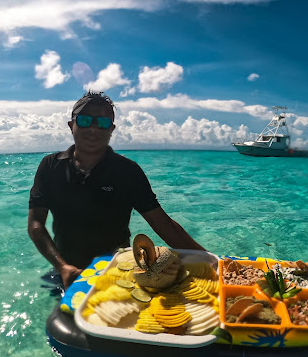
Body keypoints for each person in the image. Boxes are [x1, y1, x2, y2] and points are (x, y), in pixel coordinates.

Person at [28, 91, 204, 288]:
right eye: (85, 120)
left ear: (111, 129)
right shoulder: (50, 166)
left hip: (118, 271)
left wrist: (209, 260)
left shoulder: (128, 171)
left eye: (102, 123)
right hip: (67, 271)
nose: (93, 129)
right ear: (72, 125)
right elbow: (35, 224)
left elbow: (163, 224)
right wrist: (62, 267)